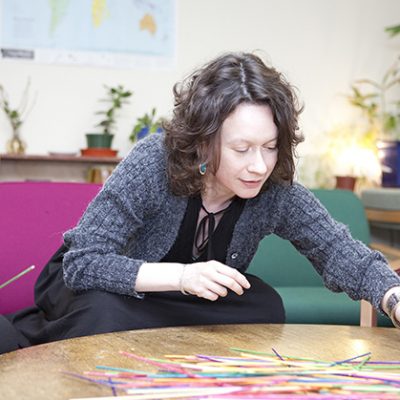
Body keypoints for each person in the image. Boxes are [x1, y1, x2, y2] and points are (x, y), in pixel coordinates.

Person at [2, 52, 400, 354]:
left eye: (270, 147)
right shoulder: (154, 162)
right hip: (104, 286)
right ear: (205, 140)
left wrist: (392, 297)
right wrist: (180, 276)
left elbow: (336, 250)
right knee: (103, 315)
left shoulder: (274, 190)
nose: (258, 165)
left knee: (264, 305)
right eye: (241, 149)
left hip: (179, 302)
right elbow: (83, 262)